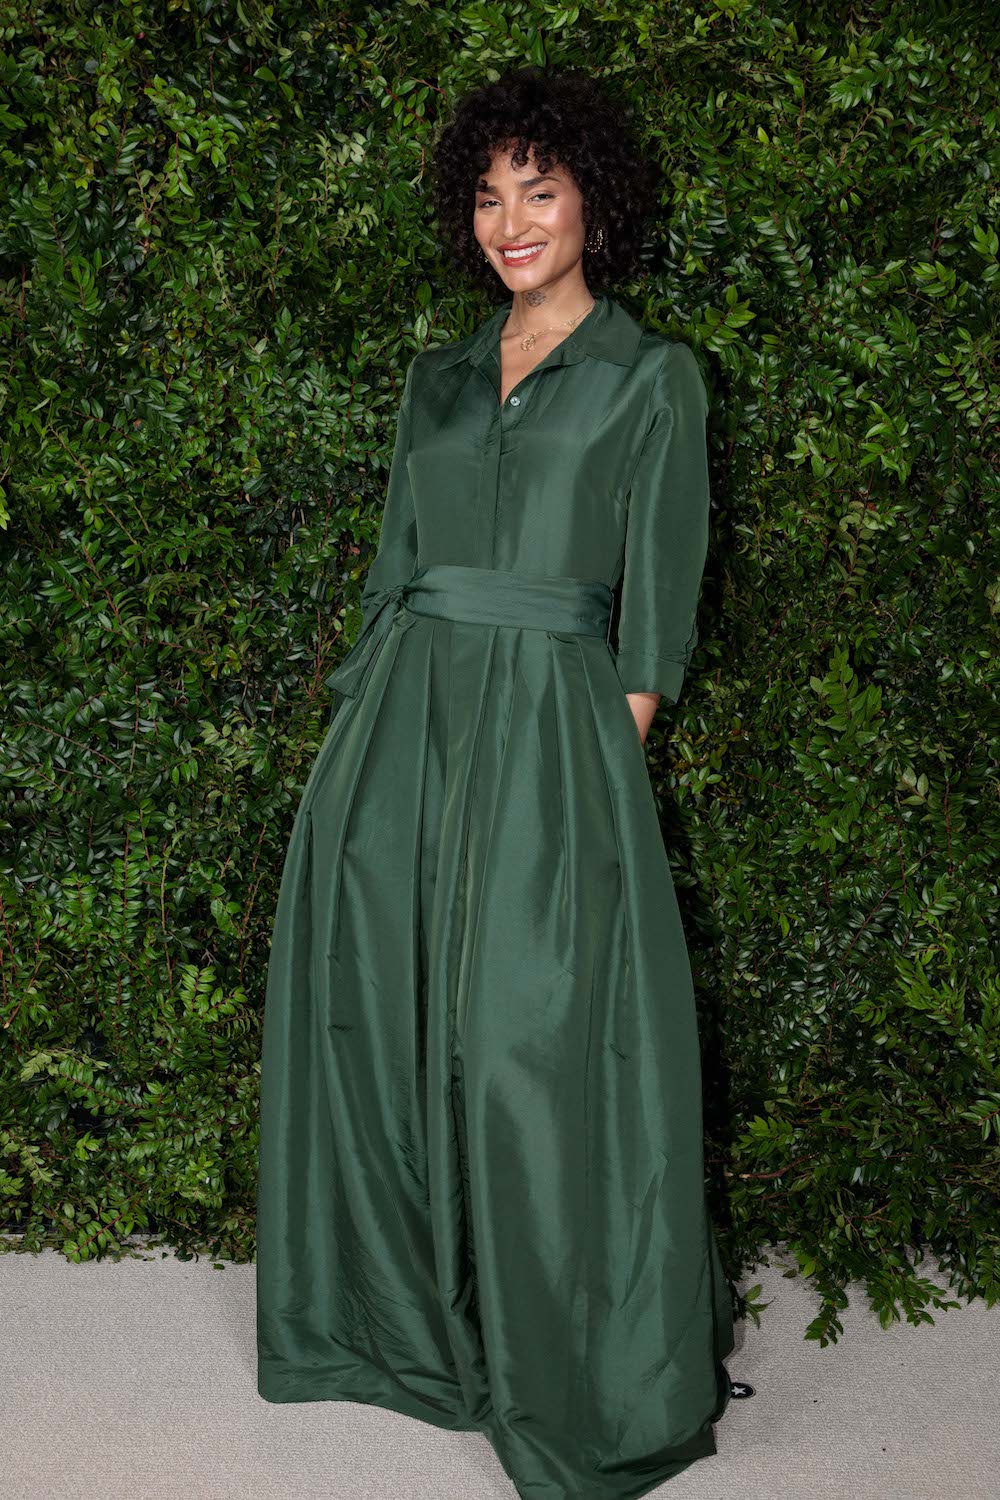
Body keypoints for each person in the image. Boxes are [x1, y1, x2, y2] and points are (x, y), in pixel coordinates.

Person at [256, 63, 753, 1500]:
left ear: (596, 200)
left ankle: (576, 1354)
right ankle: (405, 1330)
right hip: (400, 732)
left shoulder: (654, 377)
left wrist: (589, 773)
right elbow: (391, 573)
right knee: (386, 1025)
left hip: (553, 734)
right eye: (487, 196)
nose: (511, 222)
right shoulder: (435, 378)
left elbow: (654, 619)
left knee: (534, 1044)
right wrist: (353, 755)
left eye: (539, 189)